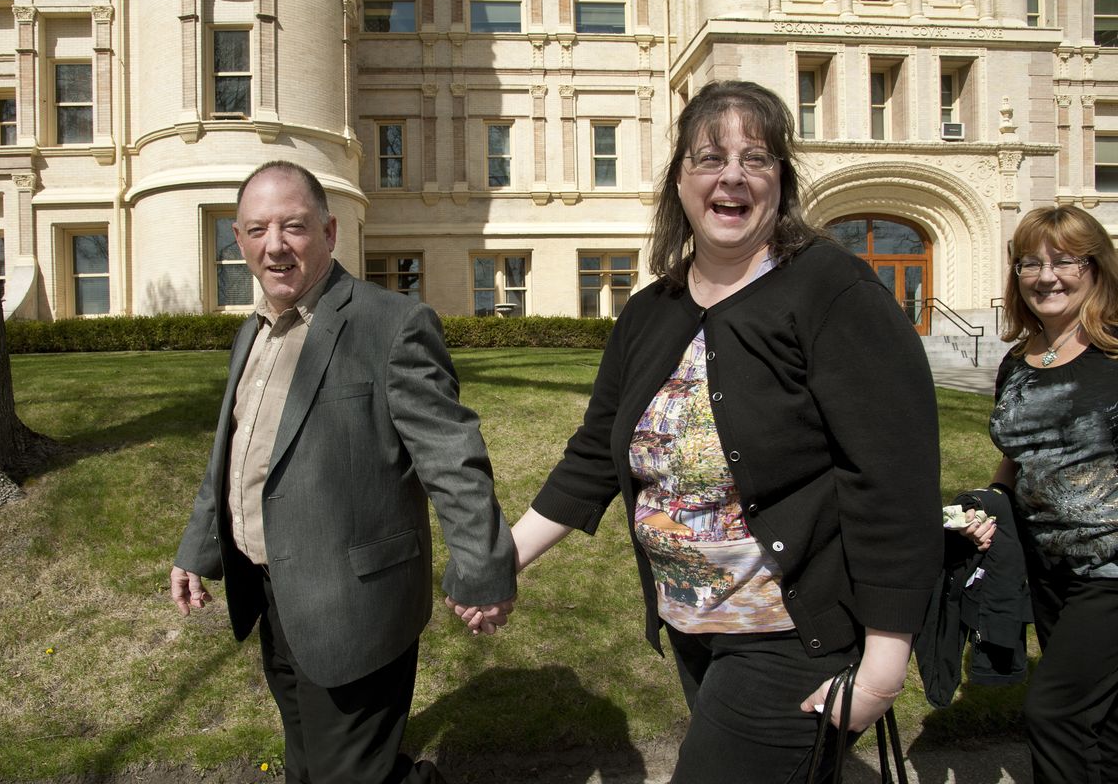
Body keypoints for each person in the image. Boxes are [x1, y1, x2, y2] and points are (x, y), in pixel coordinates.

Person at [449, 80, 942, 782]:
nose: (732, 175)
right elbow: (596, 453)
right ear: (680, 182)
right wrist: (505, 559)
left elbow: (892, 477)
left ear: (781, 181)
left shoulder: (831, 291)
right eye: (710, 158)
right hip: (692, 628)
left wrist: (886, 662)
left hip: (791, 634)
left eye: (757, 158)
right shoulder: (652, 311)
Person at [170, 160, 516, 784]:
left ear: (329, 232)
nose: (274, 247)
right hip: (276, 598)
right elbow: (235, 455)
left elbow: (452, 456)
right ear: (239, 239)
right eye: (255, 230)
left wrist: (483, 568)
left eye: (293, 227)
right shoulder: (253, 334)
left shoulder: (392, 325)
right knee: (308, 766)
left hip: (358, 607)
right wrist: (199, 549)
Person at [954, 204, 1118, 783]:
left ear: (1095, 269)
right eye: (1030, 263)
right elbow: (1017, 455)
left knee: (1056, 714)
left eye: (1064, 261)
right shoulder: (1019, 363)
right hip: (1047, 568)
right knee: (1103, 725)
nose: (1046, 276)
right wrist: (987, 502)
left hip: (1111, 569)